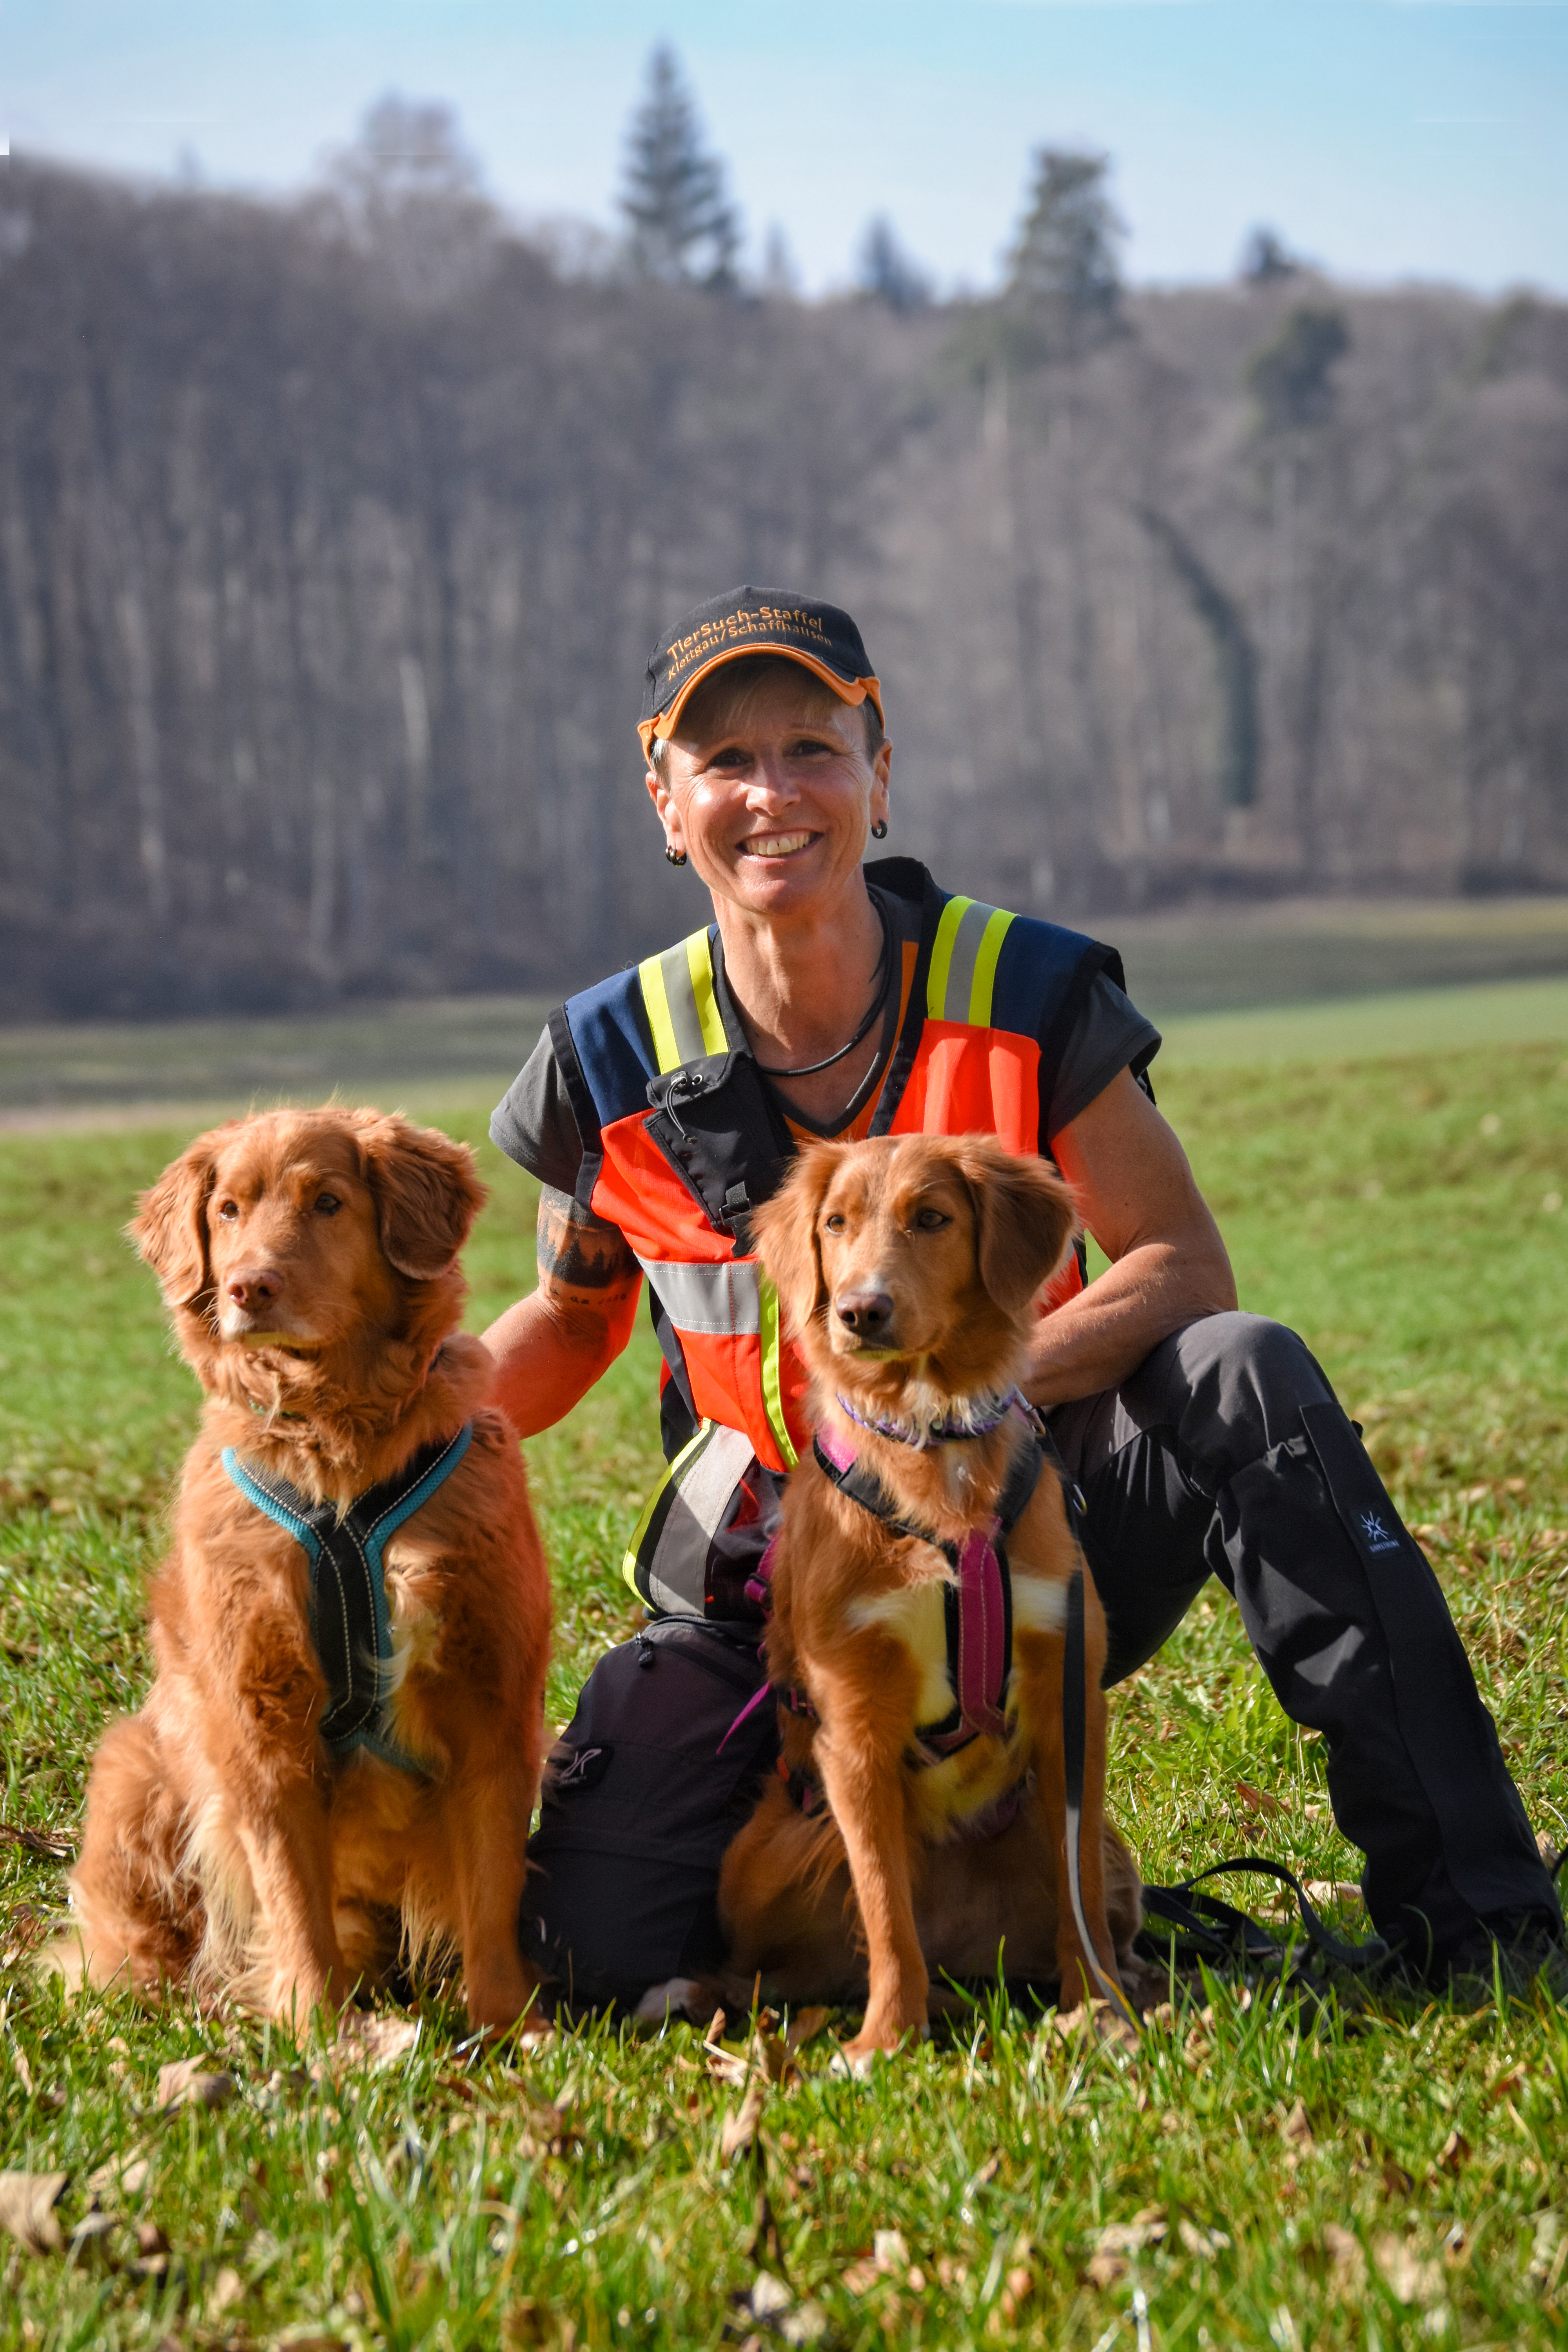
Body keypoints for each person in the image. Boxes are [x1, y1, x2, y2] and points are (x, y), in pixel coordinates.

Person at [484, 585, 1563, 2012]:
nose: (772, 794)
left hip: (1029, 1506)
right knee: (588, 1952)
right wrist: (387, 1434)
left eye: (813, 747)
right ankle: (978, 1926)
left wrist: (979, 1400)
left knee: (1244, 1368)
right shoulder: (606, 1054)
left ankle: (1477, 1926)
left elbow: (1182, 1262)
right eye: (725, 763)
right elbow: (566, 1323)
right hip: (773, 1576)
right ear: (665, 799)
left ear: (882, 771)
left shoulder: (1025, 987)